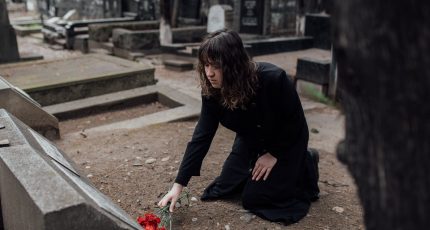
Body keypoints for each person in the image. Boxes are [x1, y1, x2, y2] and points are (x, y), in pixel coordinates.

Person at [158, 29, 319, 225]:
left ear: (233, 65)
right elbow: (202, 136)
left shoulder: (273, 79)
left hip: (285, 142)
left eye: (216, 66)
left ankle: (306, 160)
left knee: (254, 198)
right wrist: (178, 185)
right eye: (206, 65)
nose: (209, 73)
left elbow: (296, 123)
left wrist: (274, 154)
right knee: (225, 186)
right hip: (250, 141)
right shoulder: (211, 91)